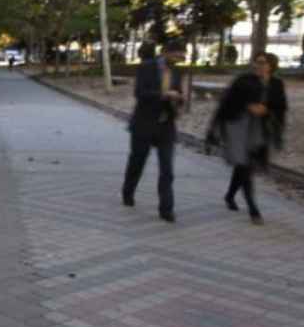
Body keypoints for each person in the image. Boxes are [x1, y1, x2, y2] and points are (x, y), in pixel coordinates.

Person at [206, 52, 288, 225]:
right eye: (256, 62)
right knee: (244, 165)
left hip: (259, 128)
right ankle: (253, 209)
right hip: (238, 125)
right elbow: (225, 103)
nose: (258, 65)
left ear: (271, 65)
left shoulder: (277, 84)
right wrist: (213, 130)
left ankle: (229, 195)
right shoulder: (243, 80)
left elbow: (281, 107)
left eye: (262, 63)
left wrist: (267, 112)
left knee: (245, 165)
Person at [122, 40, 187, 222]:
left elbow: (179, 93)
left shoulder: (176, 71)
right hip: (144, 124)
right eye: (178, 54)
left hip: (166, 126)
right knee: (137, 162)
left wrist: (180, 99)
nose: (180, 59)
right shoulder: (146, 67)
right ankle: (128, 192)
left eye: (182, 56)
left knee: (167, 169)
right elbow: (139, 93)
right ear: (166, 52)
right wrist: (164, 95)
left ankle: (166, 209)